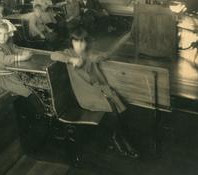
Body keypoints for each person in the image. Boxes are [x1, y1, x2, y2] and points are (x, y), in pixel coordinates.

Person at [50, 28, 138, 159]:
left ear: (86, 43)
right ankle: (118, 139)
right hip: (84, 94)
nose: (80, 45)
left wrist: (122, 41)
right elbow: (53, 55)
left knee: (114, 101)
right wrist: (71, 60)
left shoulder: (89, 54)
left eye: (82, 42)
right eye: (76, 41)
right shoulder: (68, 53)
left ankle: (118, 137)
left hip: (96, 89)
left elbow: (105, 55)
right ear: (72, 42)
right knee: (112, 104)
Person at [0, 23, 32, 97]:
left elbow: (16, 50)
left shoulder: (8, 45)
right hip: (3, 78)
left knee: (31, 84)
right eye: (0, 33)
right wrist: (21, 57)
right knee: (27, 91)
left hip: (13, 74)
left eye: (5, 34)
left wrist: (24, 52)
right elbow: (4, 59)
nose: (3, 37)